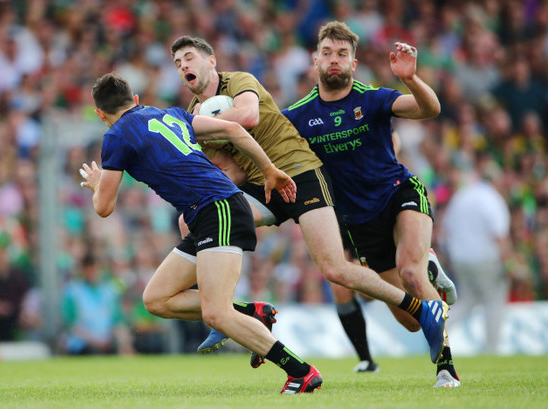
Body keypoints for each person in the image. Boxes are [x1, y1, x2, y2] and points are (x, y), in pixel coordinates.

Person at [170, 35, 448, 368]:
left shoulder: (238, 82)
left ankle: (420, 309)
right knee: (194, 217)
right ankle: (224, 312)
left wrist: (193, 128)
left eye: (189, 57)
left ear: (211, 61)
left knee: (336, 271)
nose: (184, 65)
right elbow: (231, 170)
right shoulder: (192, 114)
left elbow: (247, 116)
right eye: (178, 63)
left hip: (299, 173)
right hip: (265, 184)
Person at [81, 72, 322, 394]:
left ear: (100, 114)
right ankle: (253, 312)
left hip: (218, 208)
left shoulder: (116, 136)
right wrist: (268, 169)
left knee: (216, 312)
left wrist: (98, 185)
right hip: (210, 212)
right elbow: (234, 128)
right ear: (135, 99)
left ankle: (301, 372)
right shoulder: (169, 113)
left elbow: (104, 207)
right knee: (157, 300)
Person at [281, 21, 460, 387]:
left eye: (342, 54)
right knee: (411, 321)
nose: (334, 60)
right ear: (315, 60)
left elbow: (430, 108)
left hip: (399, 194)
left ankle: (446, 368)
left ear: (354, 64)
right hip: (358, 223)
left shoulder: (373, 98)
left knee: (408, 271)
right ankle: (428, 268)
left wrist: (410, 78)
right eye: (327, 53)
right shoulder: (296, 116)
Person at [442, 155, 513, 354]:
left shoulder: (462, 196)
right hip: (485, 260)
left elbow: (446, 231)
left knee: (469, 300)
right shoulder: (492, 198)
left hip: (460, 260)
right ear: (495, 180)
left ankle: (440, 332)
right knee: (494, 300)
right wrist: (510, 263)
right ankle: (492, 349)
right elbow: (499, 236)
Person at [59, 252, 134, 355]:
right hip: (83, 344)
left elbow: (117, 321)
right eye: (88, 268)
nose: (91, 272)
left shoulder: (109, 290)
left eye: (94, 268)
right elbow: (72, 325)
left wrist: (125, 343)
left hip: (107, 342)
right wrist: (97, 341)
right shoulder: (73, 292)